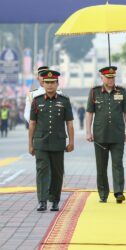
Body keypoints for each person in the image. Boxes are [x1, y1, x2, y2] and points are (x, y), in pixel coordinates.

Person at [28, 70, 74, 212]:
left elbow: (69, 123)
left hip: (58, 142)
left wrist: (71, 142)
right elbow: (32, 124)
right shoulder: (37, 101)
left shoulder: (64, 101)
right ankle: (42, 201)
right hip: (40, 142)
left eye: (52, 82)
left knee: (57, 172)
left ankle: (54, 200)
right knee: (42, 171)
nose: (49, 85)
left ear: (57, 84)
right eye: (47, 82)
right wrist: (30, 144)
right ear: (43, 83)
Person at [86, 66, 126, 204]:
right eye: (108, 77)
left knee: (118, 164)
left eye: (113, 77)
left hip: (117, 135)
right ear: (102, 78)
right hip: (100, 135)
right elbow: (89, 113)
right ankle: (103, 194)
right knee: (101, 166)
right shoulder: (94, 92)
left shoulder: (122, 92)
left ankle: (118, 192)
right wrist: (88, 131)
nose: (111, 80)